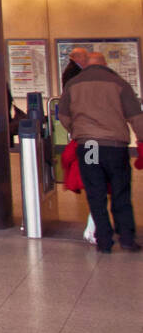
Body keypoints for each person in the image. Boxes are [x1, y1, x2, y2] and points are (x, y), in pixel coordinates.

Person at [61, 51, 143, 254]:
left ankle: (104, 240)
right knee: (120, 191)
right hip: (115, 146)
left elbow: (62, 115)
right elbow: (136, 116)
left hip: (89, 146)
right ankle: (126, 238)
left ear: (87, 64)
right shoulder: (119, 83)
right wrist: (141, 139)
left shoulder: (73, 84)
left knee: (95, 192)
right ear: (105, 64)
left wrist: (77, 130)